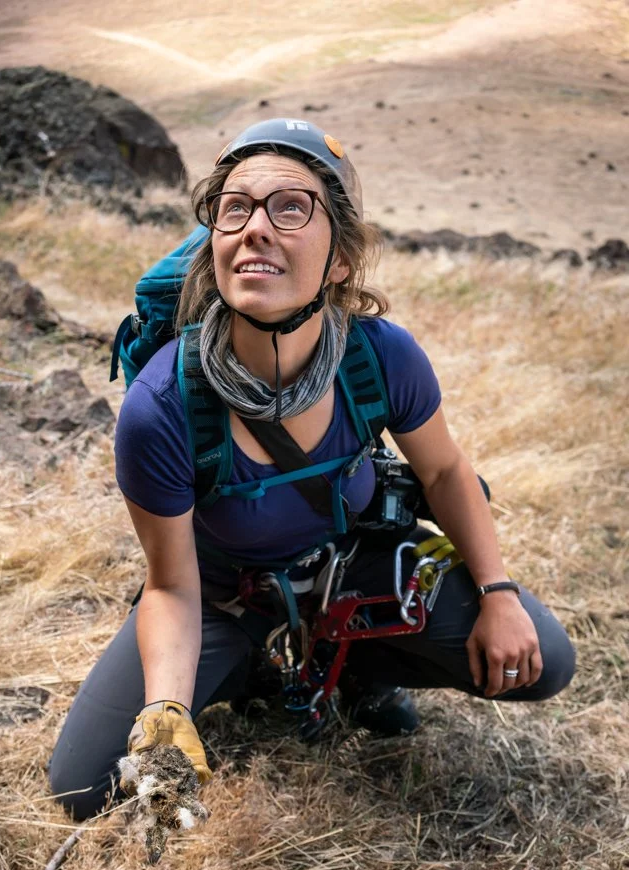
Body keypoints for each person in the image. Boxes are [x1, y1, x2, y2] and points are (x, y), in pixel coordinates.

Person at [49, 119, 575, 821]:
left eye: (291, 207)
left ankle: (357, 669)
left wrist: (499, 591)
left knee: (545, 660)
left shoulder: (378, 357)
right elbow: (171, 587)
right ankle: (252, 666)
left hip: (348, 564)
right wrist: (166, 712)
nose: (256, 227)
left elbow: (447, 475)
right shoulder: (164, 407)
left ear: (340, 262)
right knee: (83, 787)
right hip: (221, 597)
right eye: (235, 208)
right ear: (215, 245)